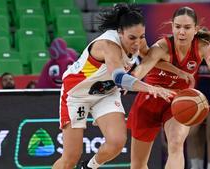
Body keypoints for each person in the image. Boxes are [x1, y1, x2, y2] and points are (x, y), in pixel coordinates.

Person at [52, 4, 175, 169]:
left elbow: (153, 58)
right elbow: (119, 78)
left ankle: (89, 167)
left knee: (117, 143)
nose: (138, 43)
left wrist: (178, 71)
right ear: (120, 32)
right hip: (77, 93)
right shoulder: (108, 46)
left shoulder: (138, 40)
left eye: (141, 36)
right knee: (70, 158)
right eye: (132, 38)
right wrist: (150, 87)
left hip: (105, 93)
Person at [127, 6, 210, 169]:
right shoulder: (162, 46)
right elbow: (142, 68)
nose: (181, 32)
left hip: (179, 100)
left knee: (176, 143)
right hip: (151, 98)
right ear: (172, 26)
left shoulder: (201, 46)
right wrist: (128, 80)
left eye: (187, 28)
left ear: (196, 29)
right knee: (138, 164)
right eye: (177, 27)